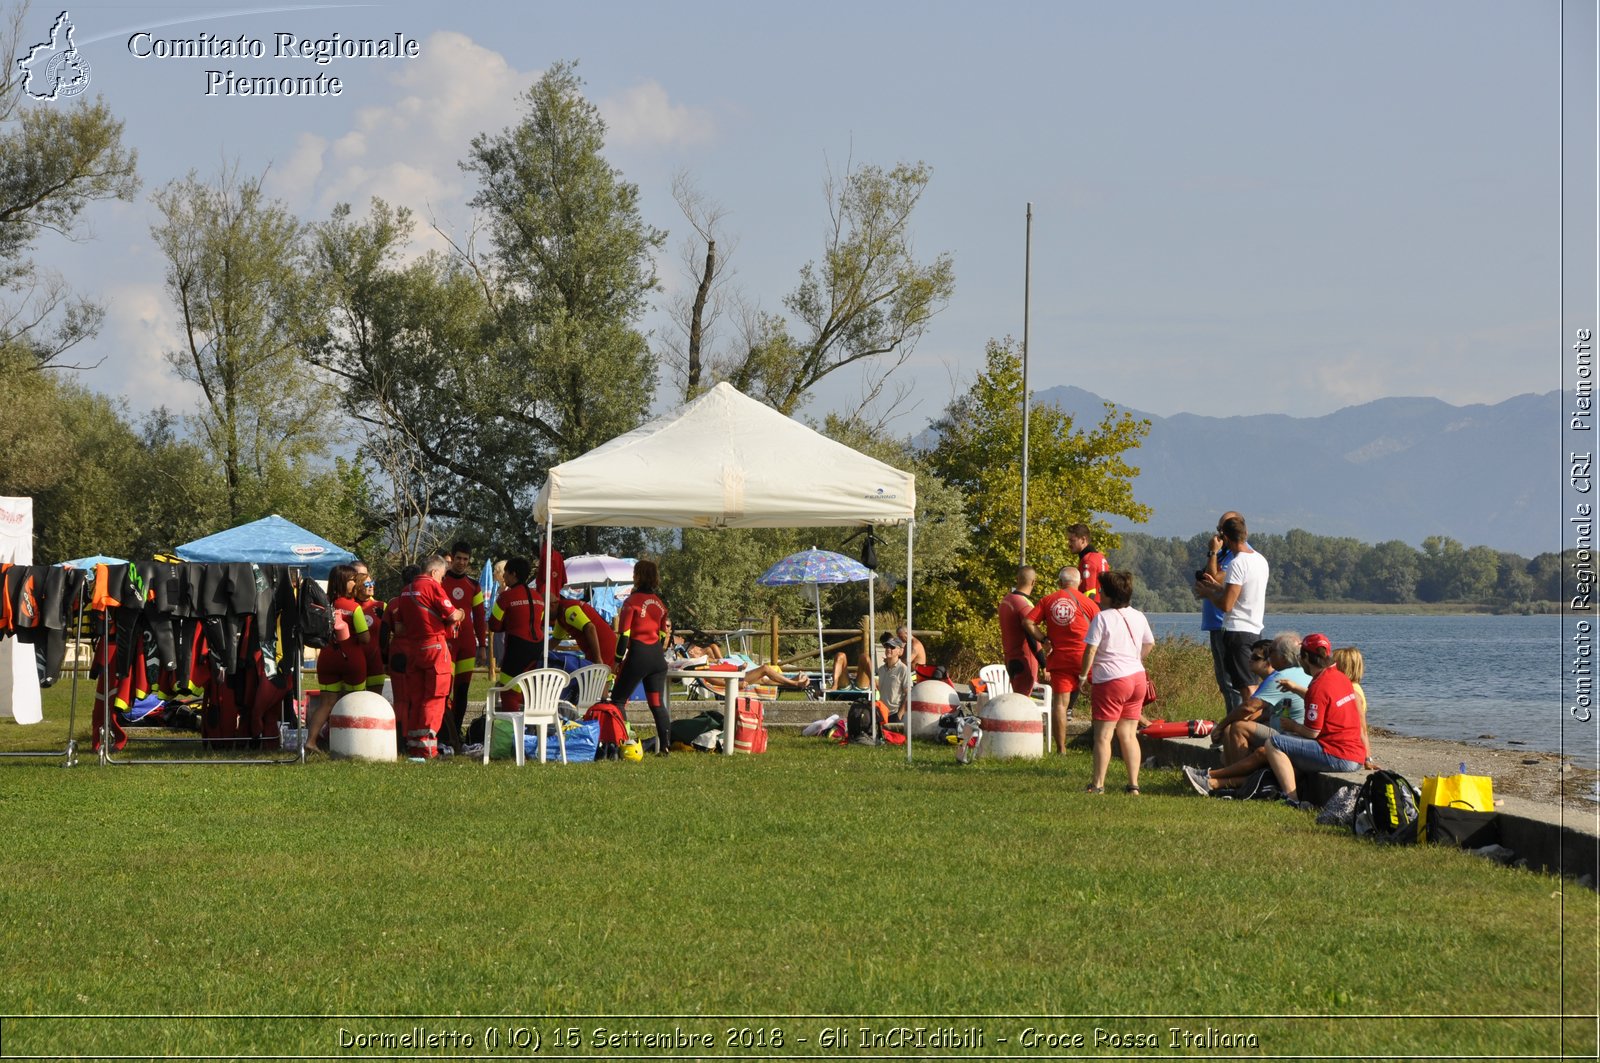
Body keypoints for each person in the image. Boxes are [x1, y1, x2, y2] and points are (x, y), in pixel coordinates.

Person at [1184, 633, 1367, 804]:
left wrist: (1293, 726)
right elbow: (1328, 703)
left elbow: (1312, 733)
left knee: (1274, 743)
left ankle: (1291, 799)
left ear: (1304, 657)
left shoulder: (1319, 685)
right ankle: (1212, 781)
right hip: (1354, 754)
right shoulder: (1339, 678)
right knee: (1267, 752)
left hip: (1337, 754)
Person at [1078, 571, 1153, 794]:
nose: (1099, 594)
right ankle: (1133, 785)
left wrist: (1083, 676)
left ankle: (1098, 784)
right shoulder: (1139, 615)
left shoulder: (1102, 617)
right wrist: (1134, 659)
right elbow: (1149, 643)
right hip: (1137, 678)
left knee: (1103, 735)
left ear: (1109, 596)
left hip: (1110, 680)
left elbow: (1091, 649)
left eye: (1101, 591)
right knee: (1129, 734)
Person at [393, 557, 464, 759]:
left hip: (414, 649)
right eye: (442, 576)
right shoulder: (432, 586)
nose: (442, 581)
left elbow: (399, 627)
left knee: (416, 698)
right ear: (434, 573)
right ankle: (427, 747)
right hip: (434, 648)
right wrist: (461, 613)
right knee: (434, 698)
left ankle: (414, 746)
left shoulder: (405, 591)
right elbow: (451, 615)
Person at [1196, 514, 1268, 712]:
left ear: (1226, 538)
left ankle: (1242, 733)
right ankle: (1245, 731)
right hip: (1253, 629)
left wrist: (1208, 594)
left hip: (1237, 632)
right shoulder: (1260, 560)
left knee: (1243, 689)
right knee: (1248, 685)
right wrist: (1215, 589)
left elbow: (1227, 605)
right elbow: (1240, 595)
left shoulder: (1237, 563)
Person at [1024, 566, 1100, 751]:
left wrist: (1043, 639)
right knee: (1104, 696)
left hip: (1060, 659)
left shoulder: (1048, 600)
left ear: (1060, 583)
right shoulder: (1089, 603)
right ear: (1079, 583)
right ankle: (1104, 742)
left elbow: (1028, 621)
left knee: (1060, 704)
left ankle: (1061, 749)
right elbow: (1101, 629)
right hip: (1085, 659)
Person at [1212, 632, 1309, 765]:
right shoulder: (1304, 672)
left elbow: (1248, 707)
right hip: (1297, 732)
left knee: (1238, 728)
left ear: (1284, 657)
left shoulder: (1282, 677)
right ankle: (1230, 775)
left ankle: (1236, 779)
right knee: (1231, 736)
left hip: (1290, 735)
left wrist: (1221, 726)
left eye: (1272, 651)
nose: (1269, 655)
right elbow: (1270, 712)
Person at [608, 559, 672, 754]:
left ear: (637, 576)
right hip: (657, 659)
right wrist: (655, 653)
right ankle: (666, 748)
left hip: (638, 656)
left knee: (618, 700)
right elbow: (663, 636)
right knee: (656, 704)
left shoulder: (631, 602)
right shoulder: (660, 604)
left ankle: (625, 743)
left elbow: (624, 635)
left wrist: (617, 661)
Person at [305, 564, 370, 755]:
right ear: (344, 582)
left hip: (326, 658)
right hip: (351, 659)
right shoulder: (354, 608)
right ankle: (355, 744)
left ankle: (311, 741)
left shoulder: (324, 604)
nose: (354, 583)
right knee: (356, 701)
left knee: (326, 703)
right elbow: (365, 638)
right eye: (352, 580)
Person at [1194, 510, 1245, 719]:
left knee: (1232, 682)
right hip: (1214, 624)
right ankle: (1230, 726)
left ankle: (1235, 730)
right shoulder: (1224, 553)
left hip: (1226, 624)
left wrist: (1213, 552)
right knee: (1223, 682)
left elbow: (1217, 578)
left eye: (1222, 531)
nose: (1218, 536)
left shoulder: (1237, 556)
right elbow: (1208, 578)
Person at [441, 541, 486, 750]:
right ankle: (445, 734)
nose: (461, 562)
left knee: (462, 691)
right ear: (452, 557)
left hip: (467, 645)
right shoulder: (440, 581)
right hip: (447, 644)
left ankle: (456, 733)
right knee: (444, 692)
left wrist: (482, 646)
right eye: (458, 558)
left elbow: (479, 617)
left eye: (465, 559)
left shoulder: (474, 585)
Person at [488, 557, 544, 711]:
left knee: (509, 692)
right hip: (538, 648)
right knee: (530, 691)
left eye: (506, 572)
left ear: (513, 574)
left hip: (517, 648)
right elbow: (540, 620)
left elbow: (493, 624)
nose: (504, 576)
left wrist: (508, 624)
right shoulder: (539, 596)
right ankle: (530, 730)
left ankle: (510, 732)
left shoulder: (505, 597)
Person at [998, 565, 1042, 696]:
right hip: (1025, 659)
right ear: (1033, 582)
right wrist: (1043, 663)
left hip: (1010, 658)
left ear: (1017, 579)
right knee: (1023, 700)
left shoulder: (1005, 600)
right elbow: (1031, 635)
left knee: (1015, 696)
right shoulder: (1024, 604)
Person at [350, 560, 386, 695]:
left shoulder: (382, 606)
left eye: (372, 582)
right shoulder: (348, 607)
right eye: (366, 582)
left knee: (374, 704)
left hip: (376, 663)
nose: (371, 586)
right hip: (353, 664)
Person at [555, 594, 618, 670]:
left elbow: (590, 627)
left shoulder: (567, 609)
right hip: (595, 649)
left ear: (552, 605)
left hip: (603, 647)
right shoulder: (560, 617)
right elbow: (555, 639)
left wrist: (597, 659)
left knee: (598, 678)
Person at [1068, 524, 1111, 602]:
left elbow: (1088, 593)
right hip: (1103, 605)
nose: (1069, 544)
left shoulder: (1088, 560)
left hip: (1093, 608)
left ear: (1083, 540)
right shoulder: (1100, 556)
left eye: (1072, 540)